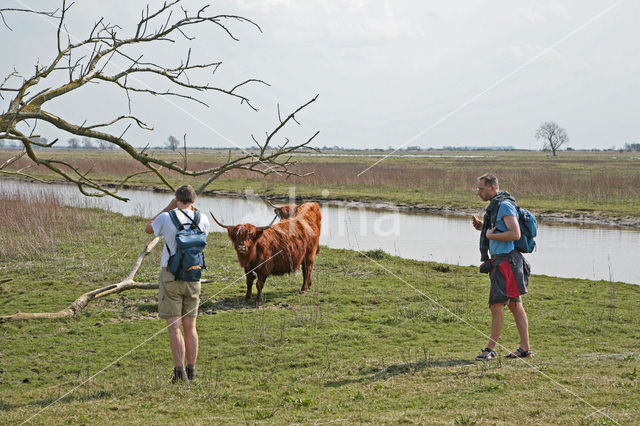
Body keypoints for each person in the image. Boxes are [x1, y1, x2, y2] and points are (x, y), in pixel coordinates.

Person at [145, 185, 211, 382]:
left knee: (174, 327)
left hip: (171, 276)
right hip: (194, 276)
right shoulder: (203, 218)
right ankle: (192, 371)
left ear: (176, 199)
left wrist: (168, 207)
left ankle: (179, 373)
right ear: (195, 199)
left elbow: (149, 228)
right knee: (191, 327)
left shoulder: (168, 217)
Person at [472, 174, 532, 361]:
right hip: (505, 261)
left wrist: (491, 236)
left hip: (507, 263)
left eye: (481, 189)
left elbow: (514, 233)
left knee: (496, 305)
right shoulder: (498, 205)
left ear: (492, 188)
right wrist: (485, 228)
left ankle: (490, 349)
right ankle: (525, 349)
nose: (478, 192)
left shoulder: (504, 205)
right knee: (514, 305)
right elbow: (501, 230)